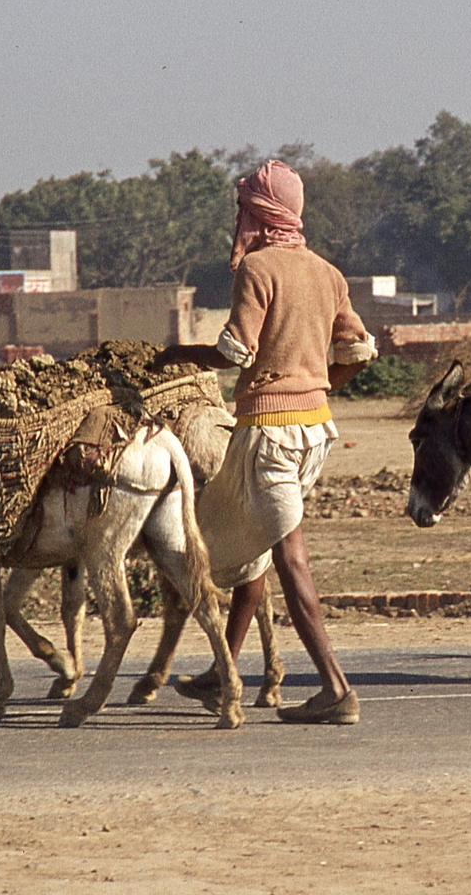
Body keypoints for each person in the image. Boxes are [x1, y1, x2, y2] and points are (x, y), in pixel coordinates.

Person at [159, 159, 375, 724]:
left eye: (245, 209)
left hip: (269, 434)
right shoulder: (328, 274)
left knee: (289, 557)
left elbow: (235, 353)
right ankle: (222, 671)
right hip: (314, 433)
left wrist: (174, 357)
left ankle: (336, 689)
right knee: (254, 542)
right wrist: (319, 388)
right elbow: (358, 351)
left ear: (260, 212)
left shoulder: (257, 269)